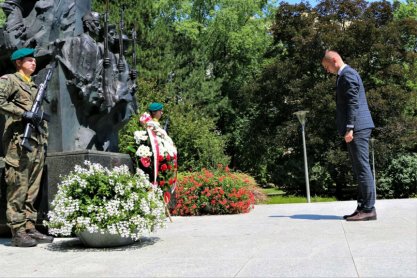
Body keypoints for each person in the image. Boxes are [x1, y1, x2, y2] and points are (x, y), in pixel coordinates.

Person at [0, 48, 53, 247]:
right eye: (29, 60)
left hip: (36, 143)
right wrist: (21, 114)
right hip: (17, 143)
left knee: (32, 187)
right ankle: (17, 231)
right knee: (18, 186)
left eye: (34, 60)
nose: (33, 63)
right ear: (18, 62)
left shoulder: (33, 86)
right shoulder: (10, 80)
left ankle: (30, 226)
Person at [321, 50, 376, 221]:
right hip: (357, 127)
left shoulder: (348, 75)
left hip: (357, 127)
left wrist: (350, 128)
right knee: (359, 168)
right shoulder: (344, 75)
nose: (327, 70)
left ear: (335, 60)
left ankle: (368, 209)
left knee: (362, 168)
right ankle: (362, 207)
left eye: (327, 66)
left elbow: (353, 102)